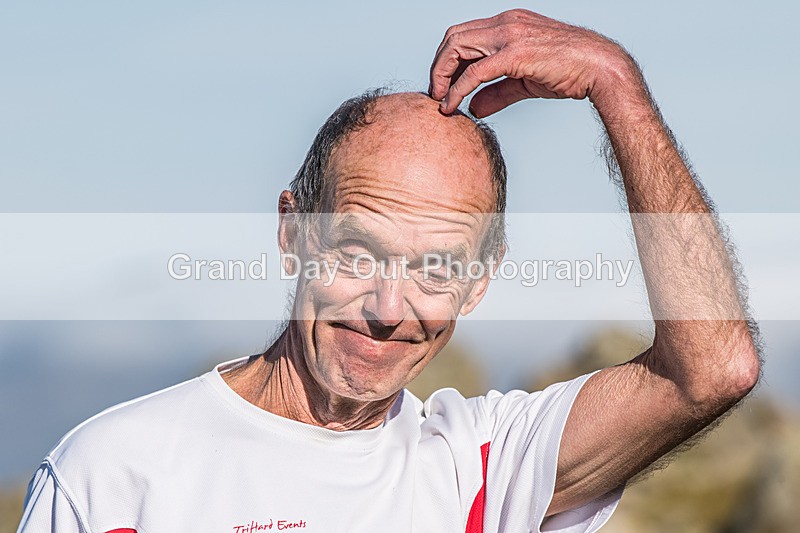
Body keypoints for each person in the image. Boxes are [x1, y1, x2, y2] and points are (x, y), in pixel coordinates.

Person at [17, 9, 760, 533]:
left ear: (480, 279)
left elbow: (714, 365)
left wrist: (614, 81)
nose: (389, 306)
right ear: (292, 230)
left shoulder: (485, 466)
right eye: (359, 252)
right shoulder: (114, 472)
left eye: (436, 266)